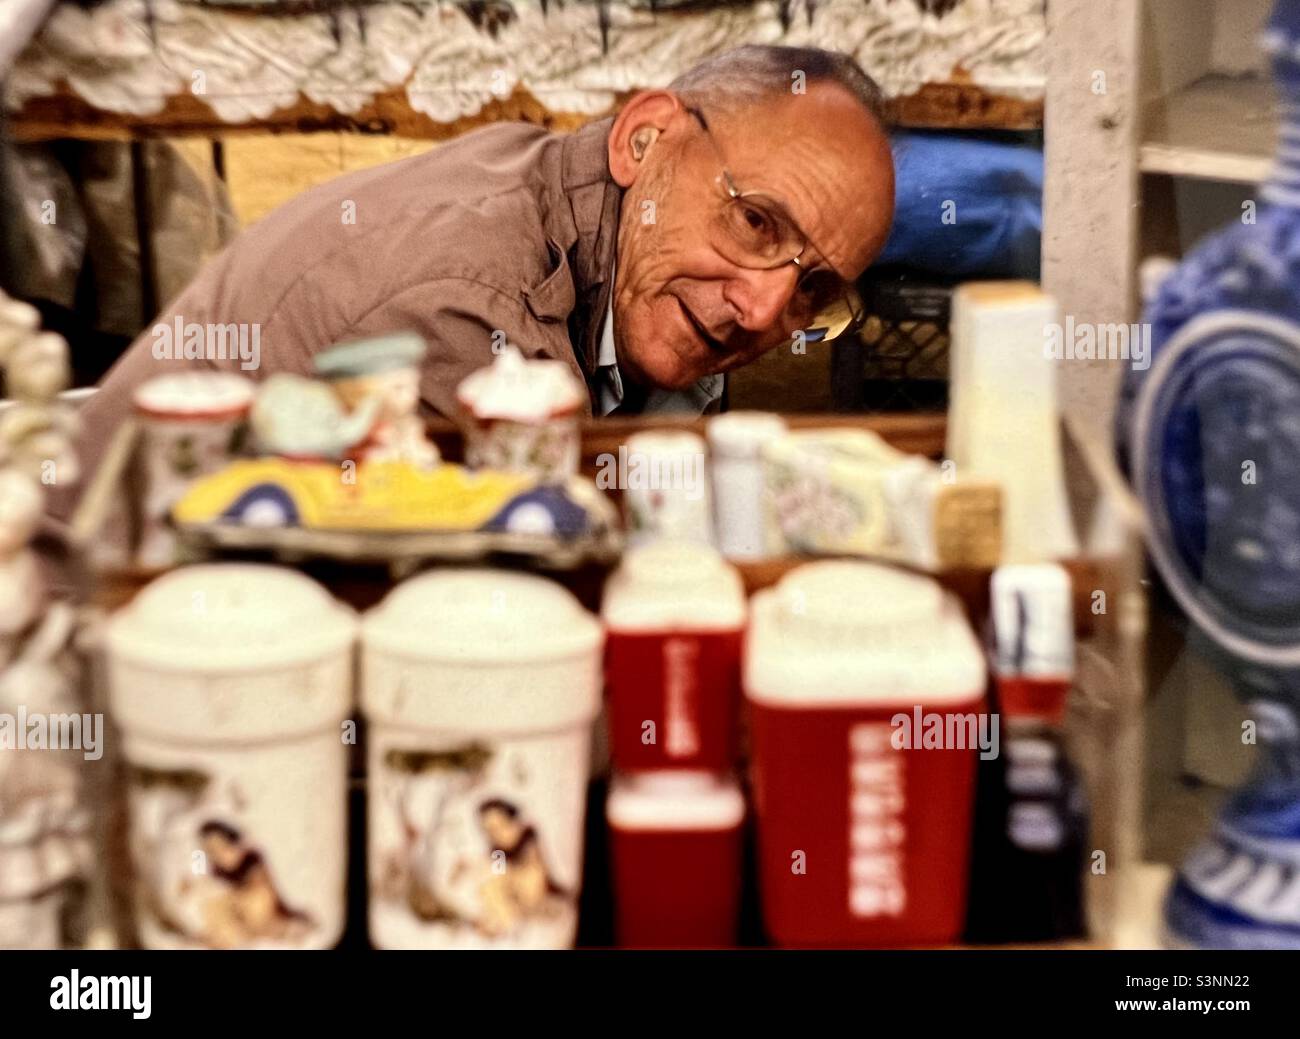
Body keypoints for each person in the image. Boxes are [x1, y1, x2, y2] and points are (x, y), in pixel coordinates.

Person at [52, 44, 894, 524]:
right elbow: (516, 642)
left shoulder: (613, 240)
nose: (762, 308)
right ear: (643, 141)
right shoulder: (469, 308)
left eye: (813, 289)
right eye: (754, 223)